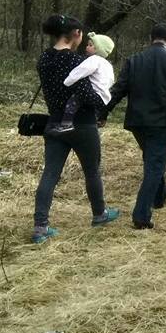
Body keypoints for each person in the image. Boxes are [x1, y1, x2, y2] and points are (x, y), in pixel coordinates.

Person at [31, 14, 119, 244]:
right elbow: (87, 95)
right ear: (77, 34)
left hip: (54, 123)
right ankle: (99, 214)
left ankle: (40, 226)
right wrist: (103, 100)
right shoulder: (76, 62)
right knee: (92, 171)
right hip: (83, 125)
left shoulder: (44, 59)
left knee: (50, 173)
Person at [105, 23, 166, 230]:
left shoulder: (133, 61)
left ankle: (161, 196)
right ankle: (141, 215)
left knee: (152, 160)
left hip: (138, 123)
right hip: (164, 122)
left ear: (151, 38)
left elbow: (118, 89)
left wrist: (103, 112)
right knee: (155, 166)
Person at [45, 31, 115, 135]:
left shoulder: (94, 60)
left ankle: (66, 124)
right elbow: (111, 80)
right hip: (104, 98)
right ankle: (92, 125)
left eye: (90, 45)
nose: (87, 47)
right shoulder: (108, 65)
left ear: (98, 49)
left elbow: (80, 71)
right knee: (87, 108)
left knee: (73, 101)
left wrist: (67, 81)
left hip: (93, 93)